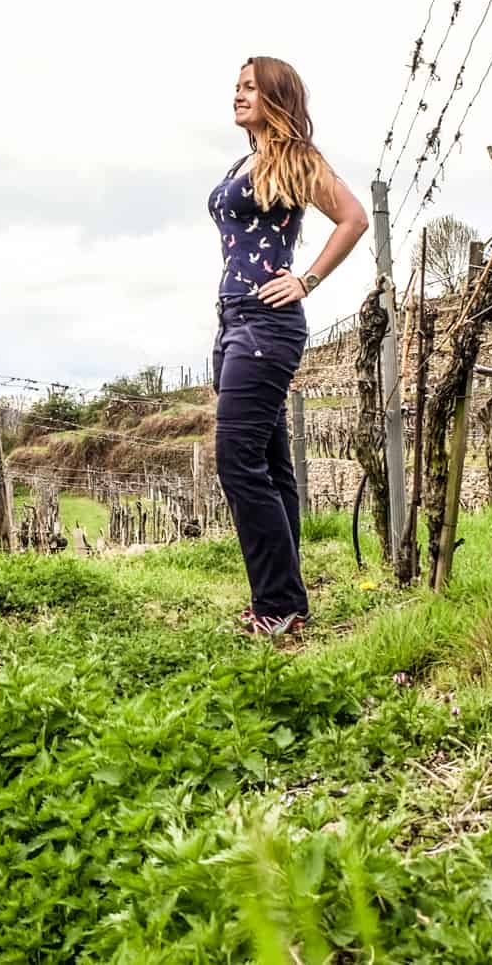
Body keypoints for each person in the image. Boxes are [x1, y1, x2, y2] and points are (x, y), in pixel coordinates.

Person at [208, 56, 369, 636]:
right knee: (271, 464)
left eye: (250, 87)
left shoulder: (297, 159)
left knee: (237, 461)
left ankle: (277, 605)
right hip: (233, 320)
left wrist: (307, 279)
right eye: (236, 87)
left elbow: (353, 218)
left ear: (276, 96)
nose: (238, 95)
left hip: (267, 324)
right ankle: (285, 602)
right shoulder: (244, 161)